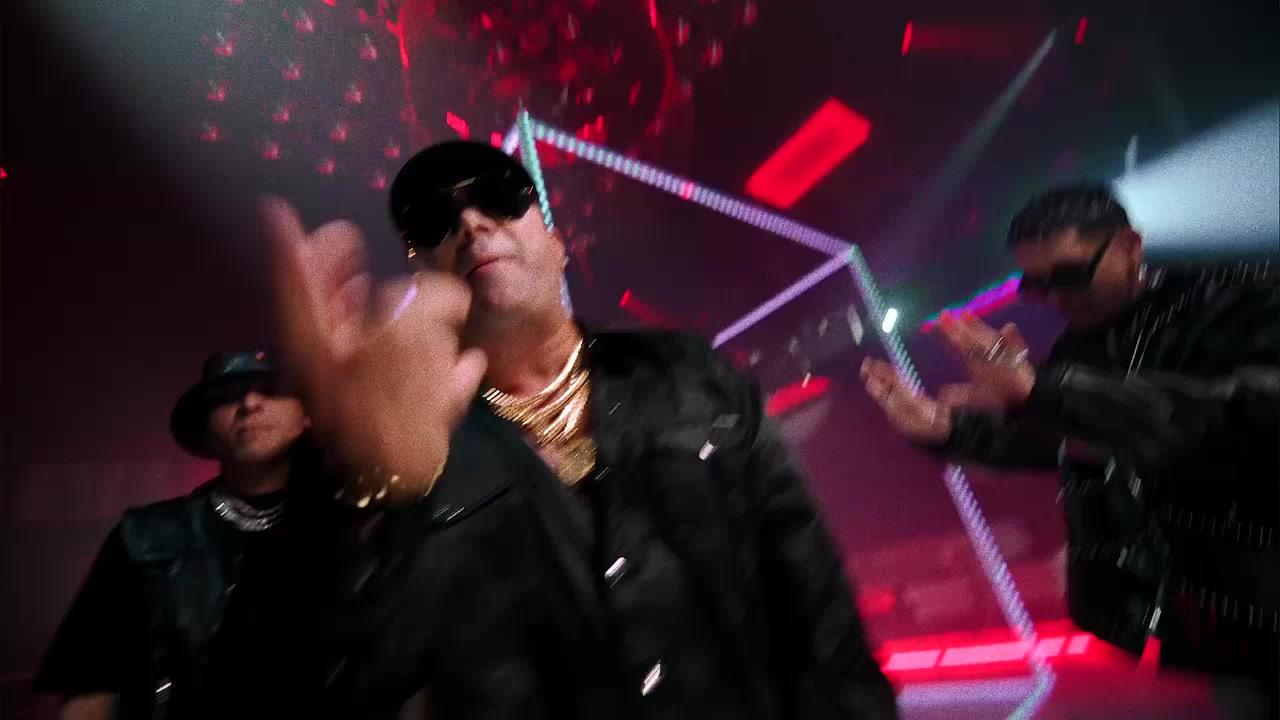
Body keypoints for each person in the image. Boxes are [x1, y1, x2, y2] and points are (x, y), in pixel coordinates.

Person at [262, 141, 898, 719]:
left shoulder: (689, 373)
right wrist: (364, 498)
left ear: (557, 242)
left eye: (500, 197)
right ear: (422, 270)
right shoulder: (390, 447)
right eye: (434, 220)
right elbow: (323, 683)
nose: (471, 223)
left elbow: (817, 606)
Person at [861, 183, 1279, 717]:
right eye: (1036, 285)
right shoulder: (1081, 346)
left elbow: (1232, 419)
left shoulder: (1239, 299)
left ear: (1129, 246)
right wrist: (947, 430)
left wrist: (1044, 392)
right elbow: (1065, 443)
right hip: (1218, 626)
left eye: (1071, 275)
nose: (1056, 298)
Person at [33, 351, 322, 719]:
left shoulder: (356, 531)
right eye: (227, 395)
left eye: (272, 389)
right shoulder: (146, 539)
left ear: (309, 414)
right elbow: (91, 699)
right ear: (205, 427)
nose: (250, 403)